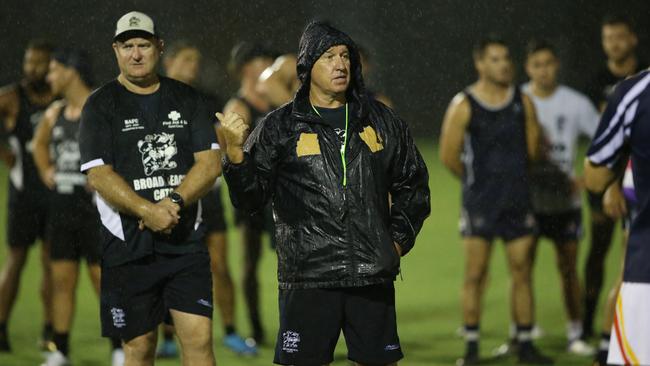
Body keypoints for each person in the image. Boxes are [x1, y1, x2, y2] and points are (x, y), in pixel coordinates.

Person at [219, 21, 430, 366]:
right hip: (308, 279)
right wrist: (236, 157)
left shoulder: (381, 120)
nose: (340, 64)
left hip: (370, 275)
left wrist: (396, 241)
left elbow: (414, 184)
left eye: (345, 56)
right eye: (329, 56)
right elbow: (250, 200)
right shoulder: (279, 127)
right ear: (306, 69)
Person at [78, 11, 220, 366]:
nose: (136, 54)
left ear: (159, 47)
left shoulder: (189, 99)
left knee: (200, 342)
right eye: (127, 46)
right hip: (128, 245)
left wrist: (172, 202)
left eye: (143, 44)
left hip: (185, 242)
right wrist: (147, 211)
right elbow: (98, 174)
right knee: (139, 347)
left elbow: (210, 163)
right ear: (116, 50)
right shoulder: (100, 104)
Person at [439, 36, 552, 365]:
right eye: (495, 59)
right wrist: (478, 184)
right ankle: (472, 349)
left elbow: (532, 151)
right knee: (476, 274)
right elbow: (449, 155)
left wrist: (511, 179)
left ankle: (526, 345)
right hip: (480, 205)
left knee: (522, 272)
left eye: (506, 58)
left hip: (517, 201)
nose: (504, 64)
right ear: (480, 64)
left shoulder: (523, 101)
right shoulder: (464, 104)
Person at [162, 40, 256, 356]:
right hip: (170, 192)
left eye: (196, 60)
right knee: (166, 265)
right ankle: (167, 337)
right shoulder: (155, 100)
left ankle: (230, 331)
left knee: (219, 264)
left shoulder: (207, 99)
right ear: (169, 61)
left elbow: (221, 141)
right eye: (187, 58)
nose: (193, 66)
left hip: (208, 194)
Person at [33, 48, 124, 366]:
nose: (49, 77)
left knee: (103, 280)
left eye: (54, 70)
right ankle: (61, 350)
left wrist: (105, 176)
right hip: (62, 208)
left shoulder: (100, 109)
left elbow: (123, 148)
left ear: (71, 71)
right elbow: (39, 145)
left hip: (96, 210)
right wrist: (45, 168)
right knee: (61, 280)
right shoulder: (54, 113)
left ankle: (118, 348)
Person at [522, 39, 599, 356]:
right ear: (528, 68)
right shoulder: (520, 100)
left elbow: (603, 139)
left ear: (557, 66)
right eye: (537, 65)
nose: (544, 71)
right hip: (529, 201)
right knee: (521, 268)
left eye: (548, 64)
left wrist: (587, 179)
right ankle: (524, 331)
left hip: (566, 203)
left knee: (568, 268)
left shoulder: (576, 103)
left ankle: (575, 333)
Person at [582, 15, 647, 339]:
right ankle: (589, 331)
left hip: (634, 179)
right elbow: (597, 146)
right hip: (614, 180)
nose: (614, 44)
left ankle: (613, 342)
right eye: (608, 38)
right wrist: (609, 185)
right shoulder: (597, 81)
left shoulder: (640, 80)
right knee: (601, 254)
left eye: (620, 37)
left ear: (633, 39)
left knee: (629, 267)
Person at [0, 39, 55, 352]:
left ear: (52, 65)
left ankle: (49, 331)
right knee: (16, 260)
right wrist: (4, 151)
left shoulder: (59, 98)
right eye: (28, 61)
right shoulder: (12, 97)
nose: (32, 68)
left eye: (39, 62)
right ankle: (1, 328)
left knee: (52, 263)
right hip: (23, 194)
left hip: (55, 193)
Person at [223, 41, 277, 344]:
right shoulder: (239, 107)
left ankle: (299, 326)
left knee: (294, 261)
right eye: (262, 59)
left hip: (280, 195)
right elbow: (235, 156)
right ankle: (256, 330)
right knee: (249, 262)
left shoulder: (279, 102)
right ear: (246, 68)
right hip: (253, 197)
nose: (268, 63)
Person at [593, 161, 636, 366]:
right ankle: (604, 349)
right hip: (639, 189)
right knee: (629, 273)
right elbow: (622, 145)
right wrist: (613, 184)